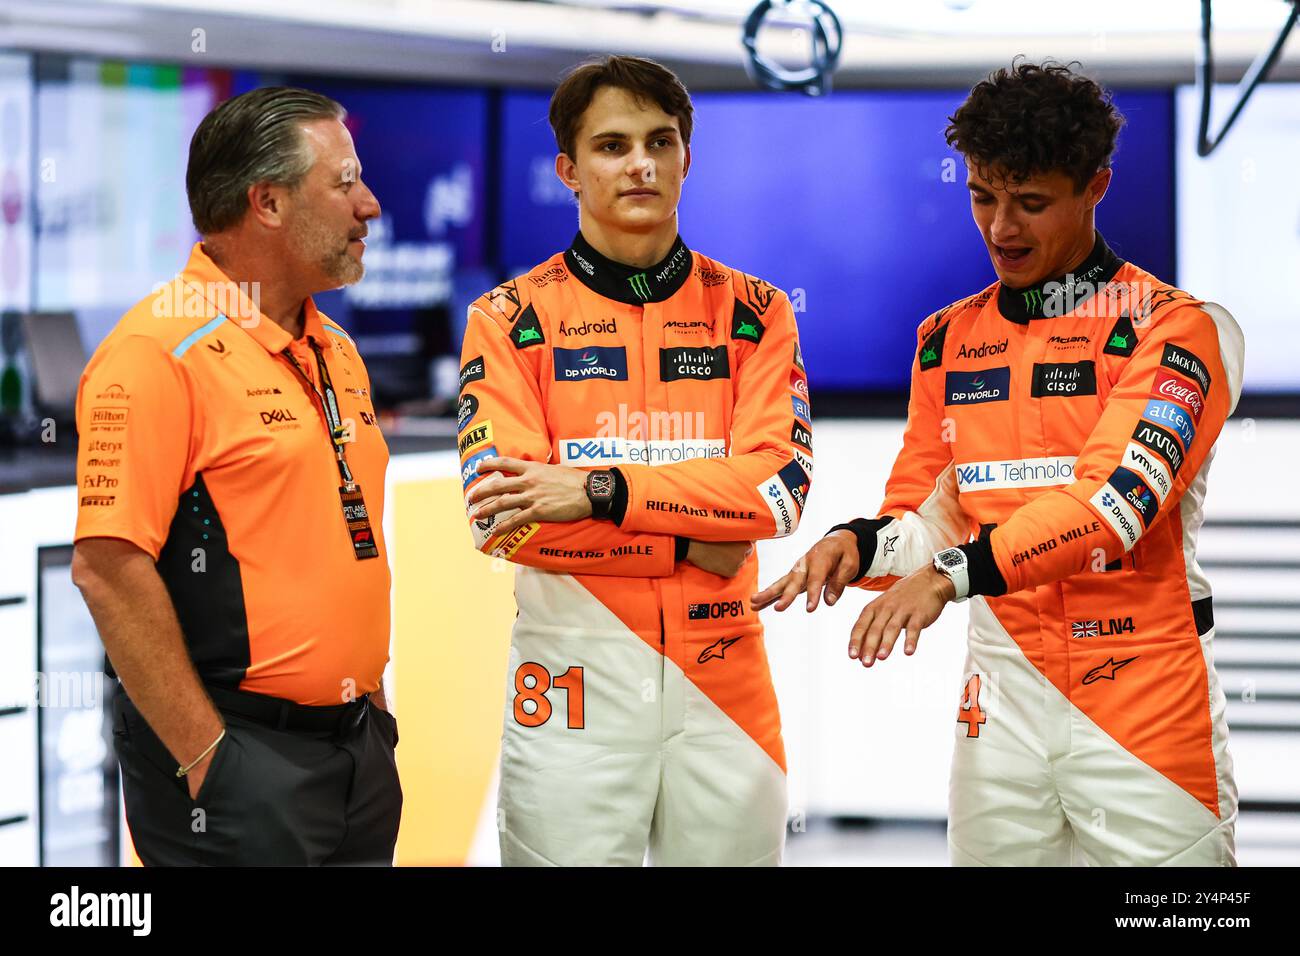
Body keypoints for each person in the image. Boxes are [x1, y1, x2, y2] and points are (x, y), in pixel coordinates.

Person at [754, 61, 1244, 866]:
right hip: (1001, 708)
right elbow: (927, 515)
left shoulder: (1177, 329)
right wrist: (859, 543)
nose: (1001, 228)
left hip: (1146, 708)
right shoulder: (946, 340)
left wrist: (947, 576)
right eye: (983, 195)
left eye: (1031, 202)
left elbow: (1111, 509)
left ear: (1096, 186)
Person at [460, 55, 811, 866]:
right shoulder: (509, 318)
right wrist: (689, 539)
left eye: (660, 141)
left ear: (688, 156)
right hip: (572, 691)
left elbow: (777, 493)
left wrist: (595, 491)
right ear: (568, 171)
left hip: (726, 688)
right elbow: (501, 517)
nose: (641, 164)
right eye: (612, 146)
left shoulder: (757, 314)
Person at [71, 86, 401, 866]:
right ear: (269, 203)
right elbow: (107, 568)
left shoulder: (337, 352)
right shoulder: (158, 353)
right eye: (345, 182)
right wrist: (206, 757)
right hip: (239, 765)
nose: (371, 206)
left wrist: (374, 716)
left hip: (356, 754)